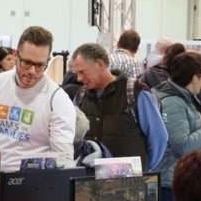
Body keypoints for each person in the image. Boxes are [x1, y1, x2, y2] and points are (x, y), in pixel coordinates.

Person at [0, 26, 76, 173]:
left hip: (33, 183)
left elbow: (63, 160)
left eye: (40, 65)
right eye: (26, 62)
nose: (32, 71)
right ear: (16, 55)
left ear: (47, 60)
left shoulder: (58, 100)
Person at [71, 43, 167, 171]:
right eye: (76, 73)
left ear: (99, 64)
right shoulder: (81, 96)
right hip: (90, 179)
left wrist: (144, 169)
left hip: (129, 180)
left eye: (83, 72)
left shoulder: (136, 92)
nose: (79, 78)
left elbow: (158, 137)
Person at [153, 52, 201, 201]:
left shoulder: (180, 96)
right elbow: (182, 144)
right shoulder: (173, 101)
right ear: (195, 78)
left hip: (177, 179)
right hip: (170, 183)